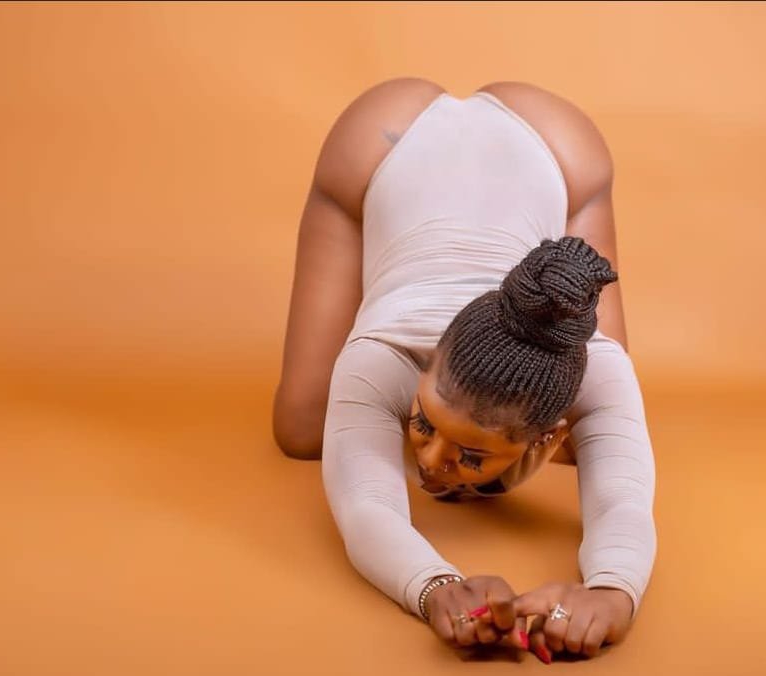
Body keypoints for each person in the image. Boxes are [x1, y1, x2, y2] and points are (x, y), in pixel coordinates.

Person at [273, 78, 656, 663]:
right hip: (380, 141)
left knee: (593, 443)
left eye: (469, 455)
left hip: (559, 147)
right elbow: (365, 507)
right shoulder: (379, 355)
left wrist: (612, 591)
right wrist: (435, 587)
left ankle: (487, 435)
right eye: (423, 423)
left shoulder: (598, 367)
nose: (429, 463)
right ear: (425, 369)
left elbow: (624, 502)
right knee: (302, 431)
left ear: (544, 434)